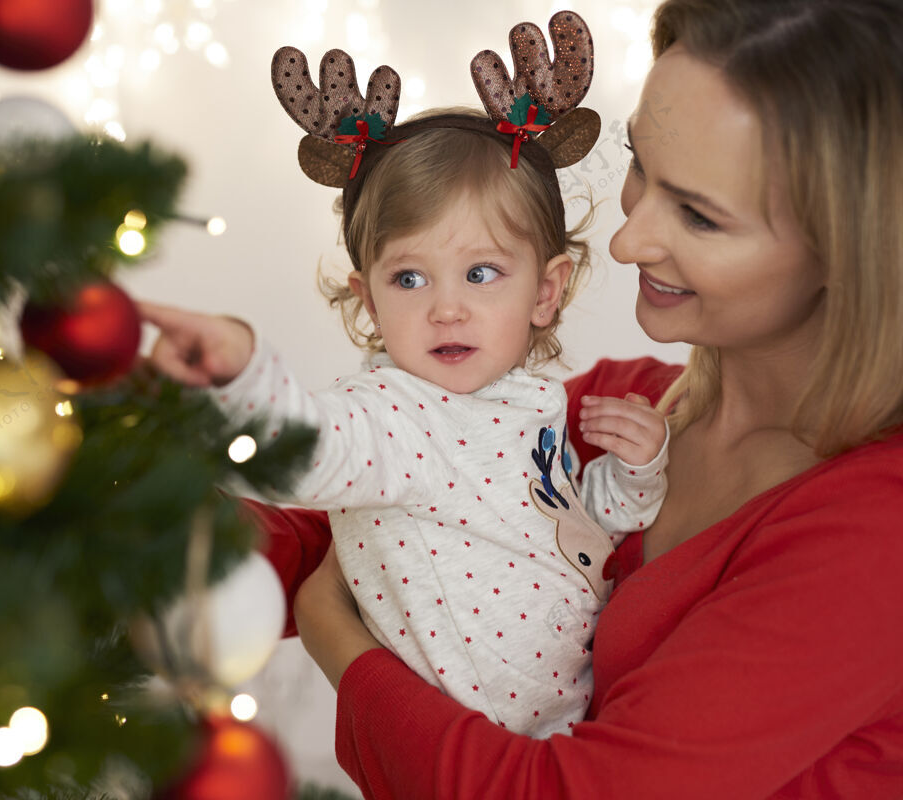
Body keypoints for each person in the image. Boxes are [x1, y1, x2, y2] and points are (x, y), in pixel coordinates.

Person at [263, 0, 903, 797]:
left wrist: (335, 637)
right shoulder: (618, 407)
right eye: (641, 166)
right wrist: (145, 527)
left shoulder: (877, 533)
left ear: (855, 249)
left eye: (700, 215)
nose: (628, 241)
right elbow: (396, 487)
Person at [141, 13, 670, 737]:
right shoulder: (390, 415)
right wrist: (243, 374)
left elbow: (562, 527)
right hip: (474, 733)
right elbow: (309, 450)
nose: (447, 310)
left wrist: (635, 478)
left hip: (571, 714)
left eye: (481, 273)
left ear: (545, 292)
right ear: (368, 298)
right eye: (410, 278)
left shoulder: (528, 402)